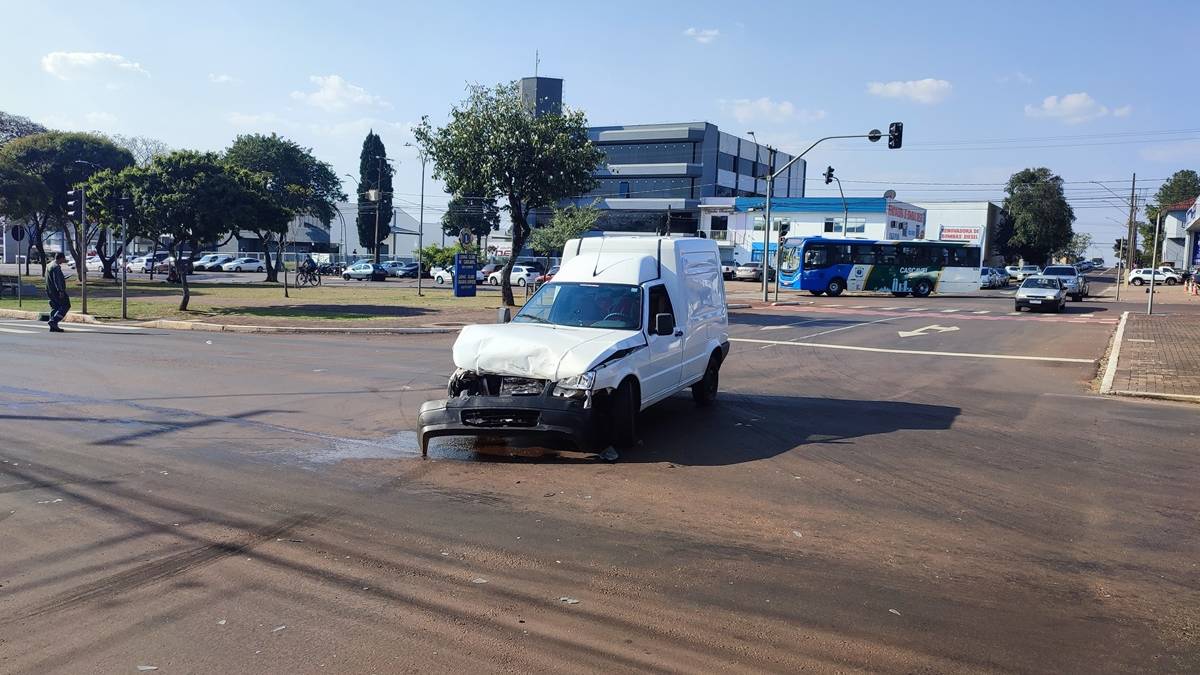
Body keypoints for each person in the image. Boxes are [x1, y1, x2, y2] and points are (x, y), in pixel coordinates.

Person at [45, 252, 70, 333]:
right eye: (63, 258)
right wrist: (61, 291)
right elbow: (57, 280)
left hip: (49, 290)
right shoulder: (56, 267)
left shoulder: (49, 265)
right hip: (57, 291)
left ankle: (53, 326)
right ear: (61, 258)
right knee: (65, 305)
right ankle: (54, 321)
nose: (64, 260)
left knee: (55, 307)